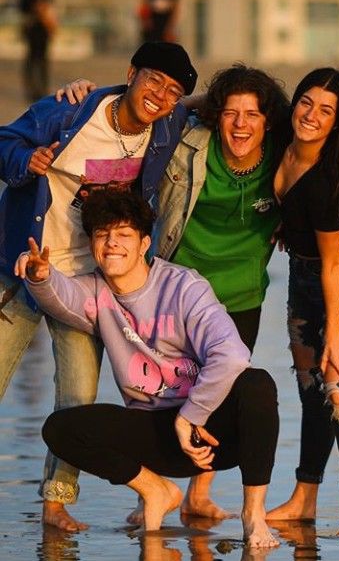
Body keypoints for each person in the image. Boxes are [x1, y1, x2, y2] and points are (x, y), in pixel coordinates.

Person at [53, 62, 289, 524]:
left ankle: (198, 495)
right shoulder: (190, 143)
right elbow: (155, 108)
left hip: (241, 292)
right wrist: (90, 92)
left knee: (220, 387)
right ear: (216, 113)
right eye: (229, 112)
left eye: (253, 115)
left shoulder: (282, 156)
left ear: (268, 121)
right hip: (178, 280)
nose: (241, 124)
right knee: (157, 380)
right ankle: (152, 492)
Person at [0, 41, 197, 531]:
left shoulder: (168, 126)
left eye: (172, 91)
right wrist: (26, 163)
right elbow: (4, 141)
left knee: (78, 396)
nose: (160, 94)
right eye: (154, 80)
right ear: (130, 73)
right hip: (23, 267)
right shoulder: (68, 112)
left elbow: (224, 113)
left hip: (87, 285)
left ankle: (56, 501)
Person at [14, 189, 279, 548]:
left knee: (257, 384)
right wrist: (40, 276)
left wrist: (191, 416)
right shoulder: (96, 291)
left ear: (143, 243)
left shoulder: (185, 286)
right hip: (152, 435)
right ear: (92, 243)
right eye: (102, 235)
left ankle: (253, 515)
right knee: (60, 428)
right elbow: (64, 296)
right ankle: (155, 490)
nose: (111, 244)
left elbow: (231, 355)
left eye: (123, 235)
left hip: (207, 435)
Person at [267, 68, 339, 535]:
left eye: (327, 110)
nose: (311, 115)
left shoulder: (329, 179)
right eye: (306, 102)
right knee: (310, 395)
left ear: (337, 124)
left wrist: (334, 334)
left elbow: (333, 264)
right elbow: (221, 104)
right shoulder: (282, 142)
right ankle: (304, 498)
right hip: (300, 274)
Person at [19, 0, 58, 102]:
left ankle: (40, 91)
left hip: (41, 32)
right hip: (34, 31)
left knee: (40, 63)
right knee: (34, 63)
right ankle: (35, 91)